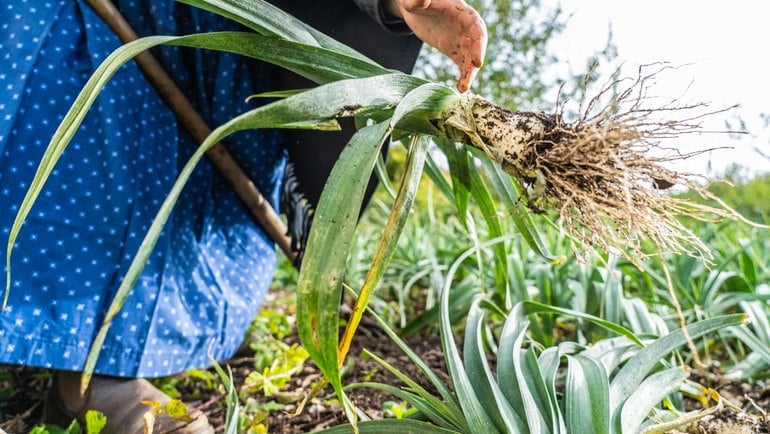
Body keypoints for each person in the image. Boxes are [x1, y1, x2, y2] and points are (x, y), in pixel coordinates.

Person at [0, 0, 486, 432]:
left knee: (193, 185)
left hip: (220, 31)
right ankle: (82, 367)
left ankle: (126, 357)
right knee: (97, 143)